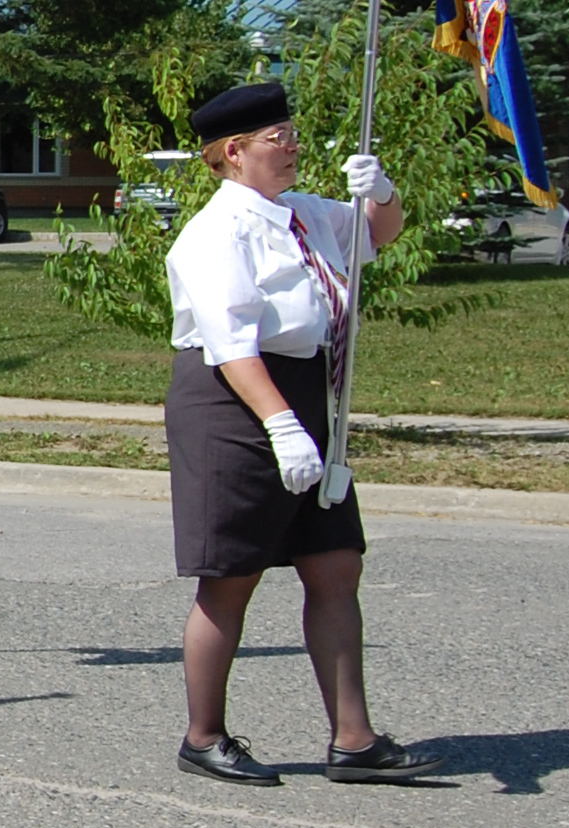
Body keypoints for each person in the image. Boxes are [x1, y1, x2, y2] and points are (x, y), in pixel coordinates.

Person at [162, 81, 439, 787]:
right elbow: (230, 344)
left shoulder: (305, 214)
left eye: (291, 133)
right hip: (233, 403)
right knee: (232, 574)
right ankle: (204, 735)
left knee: (335, 563)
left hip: (308, 391)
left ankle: (354, 739)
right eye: (276, 137)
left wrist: (382, 191)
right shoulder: (215, 233)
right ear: (233, 152)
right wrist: (281, 426)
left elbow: (378, 233)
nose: (293, 146)